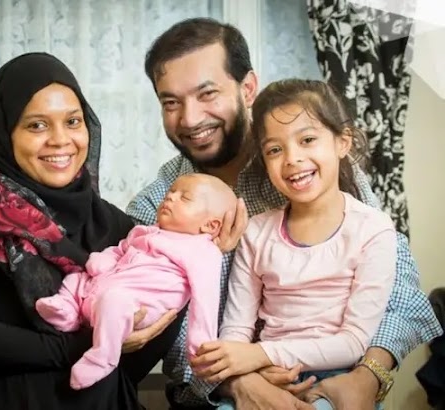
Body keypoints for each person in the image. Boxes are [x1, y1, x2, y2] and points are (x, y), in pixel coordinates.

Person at [126, 17, 443, 410]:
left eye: (207, 94)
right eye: (171, 102)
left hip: (333, 382)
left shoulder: (314, 171)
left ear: (247, 89)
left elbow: (400, 289)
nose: (190, 119)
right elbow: (168, 332)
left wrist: (367, 376)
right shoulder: (157, 206)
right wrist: (238, 383)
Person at [0, 52, 183, 410]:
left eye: (72, 121)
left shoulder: (110, 223)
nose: (61, 140)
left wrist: (206, 248)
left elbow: (141, 342)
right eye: (37, 125)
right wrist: (88, 345)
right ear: (4, 132)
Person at [194, 79, 397, 410]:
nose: (292, 158)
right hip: (265, 374)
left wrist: (258, 353)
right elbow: (236, 328)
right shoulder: (256, 232)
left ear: (342, 142)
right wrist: (251, 373)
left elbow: (354, 342)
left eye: (307, 140)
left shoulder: (374, 230)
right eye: (275, 149)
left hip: (338, 381)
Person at [36, 173, 236, 390]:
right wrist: (102, 261)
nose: (170, 198)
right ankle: (67, 311)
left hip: (138, 304)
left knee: (114, 301)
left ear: (210, 225)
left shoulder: (202, 252)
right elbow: (121, 249)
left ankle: (102, 358)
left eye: (184, 198)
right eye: (170, 193)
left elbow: (205, 297)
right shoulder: (146, 230)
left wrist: (201, 346)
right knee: (77, 277)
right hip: (106, 288)